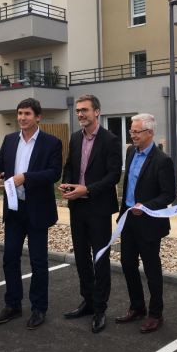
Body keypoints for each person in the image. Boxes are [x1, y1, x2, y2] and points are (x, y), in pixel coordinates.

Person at [0, 98, 62, 330]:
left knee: (38, 261)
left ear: (38, 117)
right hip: (14, 209)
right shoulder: (10, 139)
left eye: (27, 113)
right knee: (9, 258)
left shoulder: (52, 142)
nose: (22, 117)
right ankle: (13, 305)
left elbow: (54, 173)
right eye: (20, 113)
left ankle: (39, 308)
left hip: (37, 210)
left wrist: (25, 178)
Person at [59, 94, 122, 333]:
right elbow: (69, 167)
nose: (80, 114)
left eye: (84, 110)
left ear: (97, 112)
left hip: (98, 208)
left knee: (100, 259)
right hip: (77, 207)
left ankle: (100, 308)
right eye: (78, 111)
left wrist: (87, 190)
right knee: (82, 258)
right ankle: (87, 301)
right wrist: (67, 184)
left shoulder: (110, 140)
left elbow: (113, 175)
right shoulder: (76, 138)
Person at [115, 113, 175, 334]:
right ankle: (137, 307)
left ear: (150, 133)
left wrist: (147, 206)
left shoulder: (163, 160)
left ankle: (156, 314)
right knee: (127, 264)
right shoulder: (131, 152)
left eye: (136, 131)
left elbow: (169, 194)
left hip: (149, 223)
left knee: (152, 270)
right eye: (131, 131)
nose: (132, 135)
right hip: (129, 220)